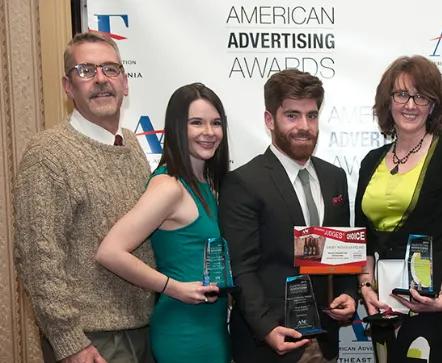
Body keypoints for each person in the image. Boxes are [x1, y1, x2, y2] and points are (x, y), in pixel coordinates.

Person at [13, 32, 155, 363]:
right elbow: (38, 257)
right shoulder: (48, 153)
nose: (101, 80)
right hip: (92, 341)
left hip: (145, 330)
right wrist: (69, 342)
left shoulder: (132, 146)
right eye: (86, 70)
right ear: (68, 86)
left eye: (110, 69)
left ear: (125, 82)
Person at [219, 69, 358, 363]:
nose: (304, 126)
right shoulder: (244, 182)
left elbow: (340, 252)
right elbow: (240, 267)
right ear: (270, 120)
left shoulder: (334, 178)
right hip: (271, 342)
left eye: (312, 115)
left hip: (325, 339)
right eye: (292, 115)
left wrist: (349, 293)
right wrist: (266, 328)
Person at [355, 55, 442, 363]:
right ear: (388, 102)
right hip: (384, 303)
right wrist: (365, 288)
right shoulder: (371, 161)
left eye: (421, 96)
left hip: (432, 300)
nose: (410, 104)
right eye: (401, 94)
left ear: (434, 104)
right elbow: (363, 238)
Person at [95, 83, 231, 363]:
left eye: (216, 123)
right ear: (178, 128)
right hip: (183, 328)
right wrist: (174, 287)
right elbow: (109, 252)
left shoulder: (210, 186)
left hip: (213, 326)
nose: (209, 132)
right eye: (197, 122)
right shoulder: (170, 187)